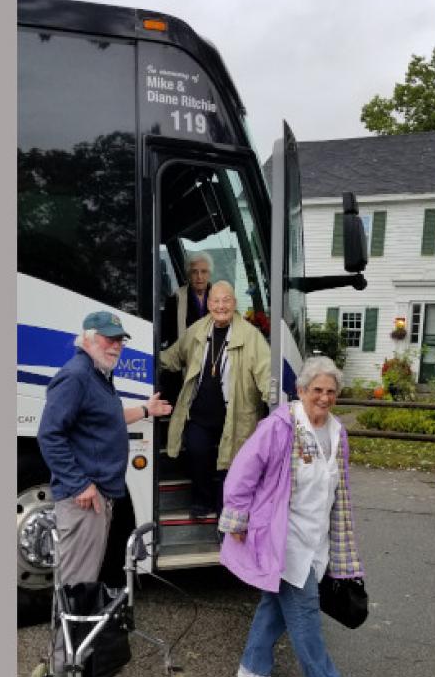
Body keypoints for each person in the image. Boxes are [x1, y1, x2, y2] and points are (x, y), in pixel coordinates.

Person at [217, 356, 366, 677]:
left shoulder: (337, 431)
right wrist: (237, 518)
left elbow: (337, 489)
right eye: (317, 390)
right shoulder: (281, 426)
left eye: (331, 391)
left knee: (275, 606)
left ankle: (252, 666)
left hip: (317, 537)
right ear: (301, 390)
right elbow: (243, 470)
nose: (325, 397)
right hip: (283, 535)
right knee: (304, 610)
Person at [38, 310, 172, 604]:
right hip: (85, 499)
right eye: (109, 339)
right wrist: (79, 484)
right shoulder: (76, 376)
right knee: (77, 585)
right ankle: (68, 651)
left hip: (98, 496)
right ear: (88, 338)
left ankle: (75, 648)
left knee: (83, 581)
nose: (116, 346)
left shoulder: (98, 375)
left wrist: (147, 410)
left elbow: (107, 419)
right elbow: (49, 434)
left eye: (120, 341)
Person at [158, 280, 270, 519]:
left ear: (234, 303)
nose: (221, 306)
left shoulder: (251, 336)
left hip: (237, 414)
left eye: (226, 300)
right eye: (216, 301)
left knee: (231, 464)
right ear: (208, 303)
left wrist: (276, 405)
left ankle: (225, 510)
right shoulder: (197, 330)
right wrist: (147, 358)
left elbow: (266, 373)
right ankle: (202, 499)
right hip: (199, 413)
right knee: (197, 453)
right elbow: (173, 356)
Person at [162, 251, 213, 347]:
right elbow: (165, 336)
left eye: (203, 271)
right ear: (188, 274)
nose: (199, 277)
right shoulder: (174, 300)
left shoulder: (222, 299)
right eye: (194, 272)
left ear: (209, 274)